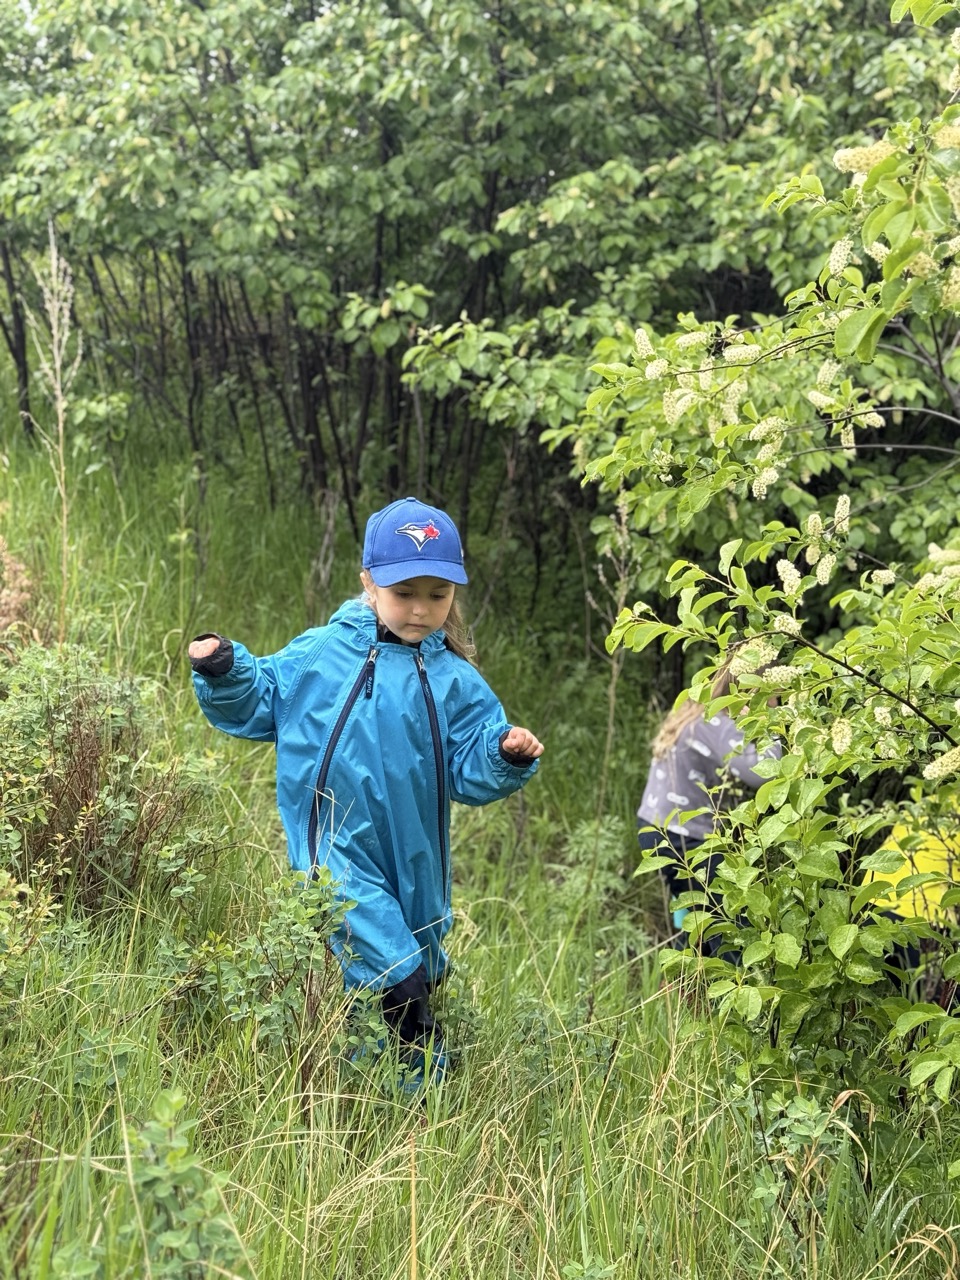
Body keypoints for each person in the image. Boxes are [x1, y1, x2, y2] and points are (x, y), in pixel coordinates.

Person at [188, 496, 543, 1087]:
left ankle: (363, 1087)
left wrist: (503, 754)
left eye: (438, 594)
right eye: (404, 593)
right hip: (335, 847)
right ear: (368, 583)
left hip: (415, 856)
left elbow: (468, 768)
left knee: (418, 967)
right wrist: (225, 669)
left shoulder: (455, 680)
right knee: (395, 973)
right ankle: (424, 1096)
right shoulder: (322, 654)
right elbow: (262, 700)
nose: (421, 609)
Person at [636, 658, 780, 950]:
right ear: (752, 690)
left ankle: (687, 972)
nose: (776, 705)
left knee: (697, 917)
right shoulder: (719, 723)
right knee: (728, 924)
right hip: (684, 836)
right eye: (774, 696)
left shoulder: (696, 710)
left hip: (654, 827)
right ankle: (722, 974)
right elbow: (761, 772)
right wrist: (773, 729)